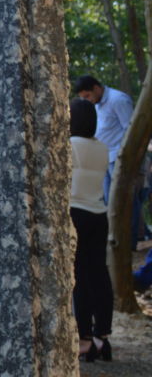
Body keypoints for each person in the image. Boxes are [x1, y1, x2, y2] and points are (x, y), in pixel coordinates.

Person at [70, 97, 114, 362]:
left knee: (79, 277)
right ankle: (103, 336)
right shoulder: (103, 148)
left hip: (76, 213)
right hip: (99, 214)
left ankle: (85, 339)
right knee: (99, 274)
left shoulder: (70, 145)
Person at [75, 75, 133, 203]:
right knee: (108, 201)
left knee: (122, 201)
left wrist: (124, 156)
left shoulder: (118, 99)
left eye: (87, 96)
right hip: (104, 158)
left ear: (96, 88)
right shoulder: (96, 104)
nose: (87, 100)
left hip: (119, 158)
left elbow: (130, 130)